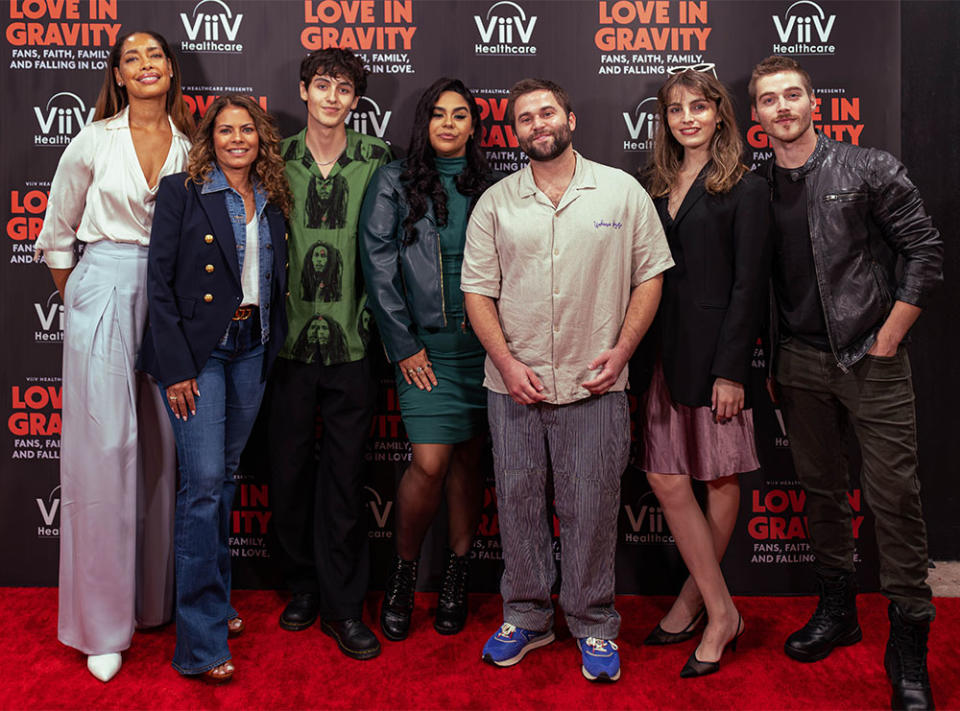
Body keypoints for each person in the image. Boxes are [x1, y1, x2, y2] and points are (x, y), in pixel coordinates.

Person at [462, 78, 673, 683]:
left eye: (547, 112)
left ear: (571, 117)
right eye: (524, 118)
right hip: (514, 386)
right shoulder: (496, 203)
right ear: (516, 132)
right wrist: (505, 362)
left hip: (595, 384)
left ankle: (593, 622)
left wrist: (624, 348)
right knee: (520, 504)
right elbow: (477, 291)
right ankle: (526, 616)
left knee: (592, 506)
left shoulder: (622, 192)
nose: (537, 124)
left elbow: (650, 276)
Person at [750, 55, 942, 710]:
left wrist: (888, 336)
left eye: (793, 95)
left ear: (814, 102)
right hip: (797, 363)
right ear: (756, 115)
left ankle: (908, 640)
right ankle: (838, 609)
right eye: (770, 99)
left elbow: (924, 251)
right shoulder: (755, 185)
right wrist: (774, 357)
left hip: (870, 355)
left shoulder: (867, 167)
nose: (783, 107)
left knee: (893, 496)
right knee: (822, 492)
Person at [33, 30, 194, 683]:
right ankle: (101, 625)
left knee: (162, 447)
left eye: (156, 55)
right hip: (101, 283)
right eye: (133, 58)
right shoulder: (93, 140)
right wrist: (83, 302)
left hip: (171, 296)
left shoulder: (193, 145)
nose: (146, 64)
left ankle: (151, 603)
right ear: (119, 75)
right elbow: (56, 233)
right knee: (102, 454)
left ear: (171, 69)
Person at [138, 95, 290, 684]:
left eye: (246, 129)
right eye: (225, 130)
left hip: (253, 346)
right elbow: (159, 283)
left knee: (223, 480)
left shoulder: (271, 196)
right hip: (199, 356)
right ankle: (197, 644)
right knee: (201, 488)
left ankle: (217, 600)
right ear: (210, 137)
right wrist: (176, 368)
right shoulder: (182, 191)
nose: (236, 139)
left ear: (260, 138)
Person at [638, 68, 770, 677]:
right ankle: (712, 605)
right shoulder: (652, 183)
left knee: (718, 479)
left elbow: (750, 287)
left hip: (716, 359)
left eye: (698, 106)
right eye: (674, 109)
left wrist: (732, 370)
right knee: (666, 479)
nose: (686, 117)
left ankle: (707, 608)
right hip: (659, 353)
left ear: (720, 113)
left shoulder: (745, 187)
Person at [360, 78, 499, 641]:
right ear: (425, 122)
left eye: (460, 114)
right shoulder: (393, 181)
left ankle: (458, 576)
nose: (448, 124)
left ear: (473, 124)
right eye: (438, 114)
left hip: (487, 347)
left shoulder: (494, 186)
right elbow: (377, 265)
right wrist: (404, 344)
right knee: (432, 463)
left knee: (469, 461)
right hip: (426, 347)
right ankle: (403, 573)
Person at [269, 47, 391, 660]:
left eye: (344, 88)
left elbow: (390, 246)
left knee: (345, 480)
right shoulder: (275, 158)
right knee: (288, 474)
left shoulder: (377, 159)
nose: (332, 97)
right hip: (286, 343)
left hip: (353, 342)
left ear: (355, 100)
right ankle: (302, 586)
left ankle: (344, 607)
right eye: (322, 85)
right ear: (304, 90)